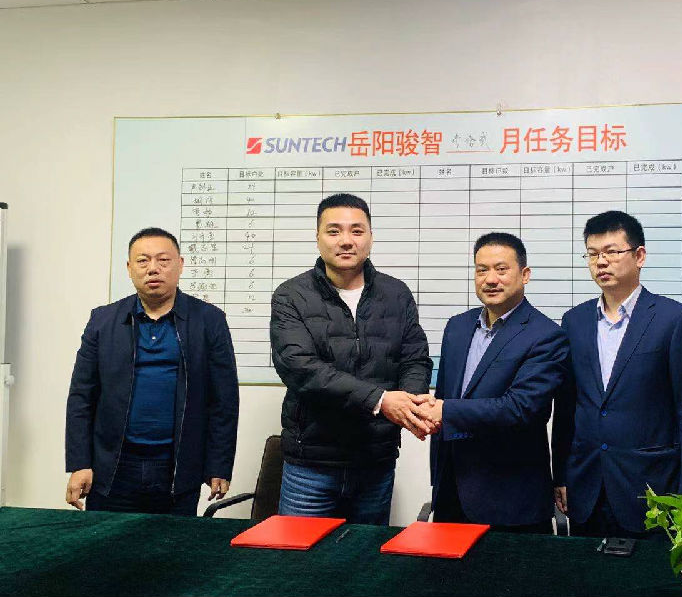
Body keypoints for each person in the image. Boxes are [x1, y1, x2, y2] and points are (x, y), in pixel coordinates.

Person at [270, 193, 433, 525]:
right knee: (298, 555)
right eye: (334, 231)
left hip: (375, 460)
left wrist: (411, 404)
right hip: (311, 465)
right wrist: (381, 400)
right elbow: (301, 369)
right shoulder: (291, 295)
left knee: (365, 554)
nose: (346, 240)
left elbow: (415, 358)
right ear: (318, 237)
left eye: (357, 231)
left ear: (370, 237)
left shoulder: (396, 294)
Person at [552, 211, 682, 537]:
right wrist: (562, 475)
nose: (601, 262)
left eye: (611, 252)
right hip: (586, 486)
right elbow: (566, 407)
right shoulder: (574, 321)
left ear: (639, 256)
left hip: (651, 489)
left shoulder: (674, 320)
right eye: (593, 254)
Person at [65, 227, 239, 515]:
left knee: (171, 543)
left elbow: (224, 400)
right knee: (107, 541)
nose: (153, 269)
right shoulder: (103, 321)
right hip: (113, 465)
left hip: (178, 465)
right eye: (143, 261)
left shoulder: (209, 320)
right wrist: (80, 463)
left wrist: (219, 464)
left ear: (180, 265)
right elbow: (81, 397)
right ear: (129, 268)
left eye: (163, 260)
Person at [415, 232, 568, 533]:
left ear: (525, 275)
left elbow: (521, 409)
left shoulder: (546, 335)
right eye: (481, 270)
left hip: (511, 502)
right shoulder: (457, 327)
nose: (490, 279)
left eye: (501, 269)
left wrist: (444, 411)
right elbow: (445, 395)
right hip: (451, 493)